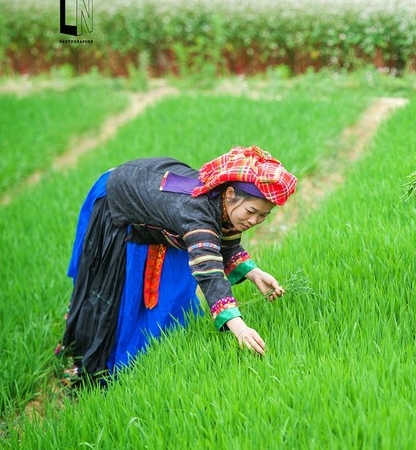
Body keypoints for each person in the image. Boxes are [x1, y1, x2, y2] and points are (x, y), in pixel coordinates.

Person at [57, 146, 298, 385]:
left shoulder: (219, 201)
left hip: (156, 206)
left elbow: (224, 238)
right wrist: (240, 328)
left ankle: (155, 348)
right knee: (121, 296)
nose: (254, 221)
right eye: (251, 211)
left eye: (263, 216)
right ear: (230, 193)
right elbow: (209, 272)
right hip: (118, 199)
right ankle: (105, 364)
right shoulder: (196, 214)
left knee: (172, 293)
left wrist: (253, 273)